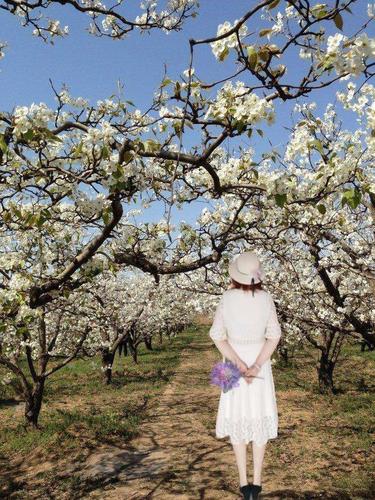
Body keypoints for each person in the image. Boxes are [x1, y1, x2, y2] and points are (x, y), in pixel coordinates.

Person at [209, 251, 282, 500]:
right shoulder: (266, 298)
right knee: (259, 418)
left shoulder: (227, 298)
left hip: (231, 366)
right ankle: (257, 483)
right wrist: (256, 366)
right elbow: (274, 335)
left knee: (237, 420)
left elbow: (217, 335)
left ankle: (243, 483)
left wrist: (239, 364)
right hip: (261, 365)